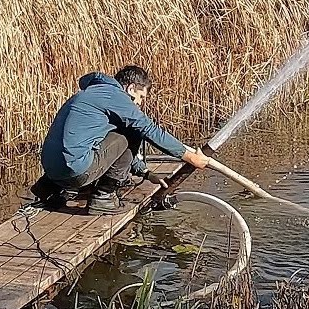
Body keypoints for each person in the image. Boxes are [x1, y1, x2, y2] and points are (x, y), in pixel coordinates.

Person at [30, 66, 211, 214]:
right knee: (133, 131)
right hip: (75, 171)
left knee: (109, 137)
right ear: (131, 88)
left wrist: (146, 173)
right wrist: (190, 157)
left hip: (52, 169)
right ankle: (104, 196)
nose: (139, 103)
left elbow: (108, 147)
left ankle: (48, 188)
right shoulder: (115, 96)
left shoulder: (93, 92)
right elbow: (149, 130)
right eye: (140, 97)